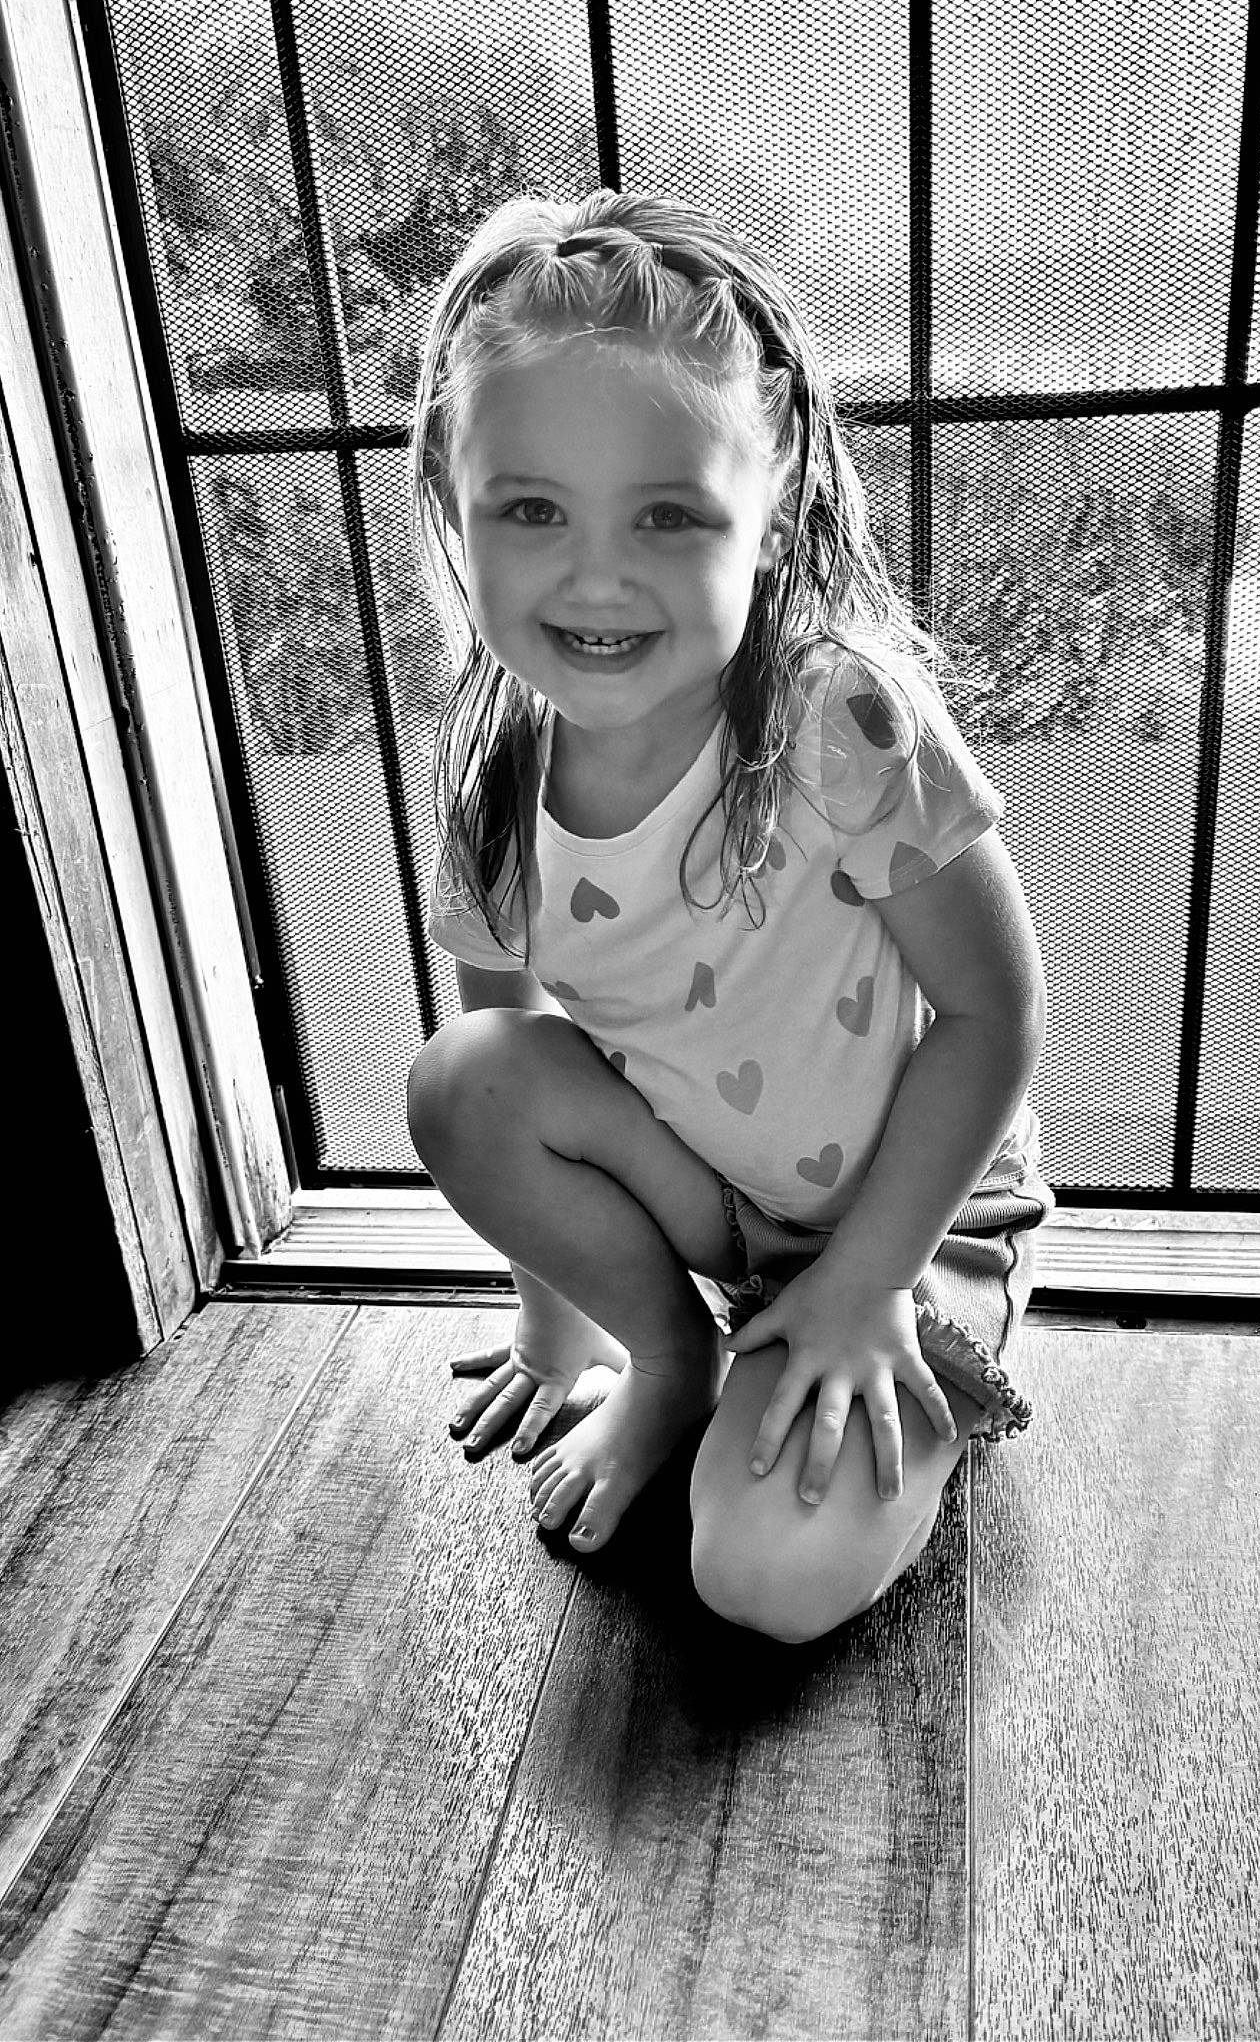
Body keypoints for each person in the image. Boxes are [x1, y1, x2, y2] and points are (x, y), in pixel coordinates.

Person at [405, 189, 1051, 1645]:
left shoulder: (840, 719)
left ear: (772, 518)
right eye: (531, 509)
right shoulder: (497, 777)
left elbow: (995, 1012)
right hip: (723, 1206)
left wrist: (870, 1285)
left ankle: (872, 1360)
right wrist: (555, 1327)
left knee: (763, 1576)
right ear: (456, 502)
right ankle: (675, 1364)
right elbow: (509, 1062)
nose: (595, 573)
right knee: (457, 1084)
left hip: (916, 1214)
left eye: (669, 514)